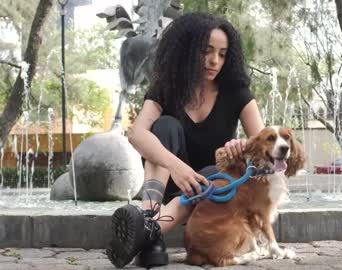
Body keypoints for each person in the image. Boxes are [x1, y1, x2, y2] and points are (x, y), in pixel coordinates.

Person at [106, 12, 264, 268]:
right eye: (207, 51)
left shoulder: (236, 91)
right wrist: (176, 166)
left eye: (222, 54)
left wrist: (244, 147)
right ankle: (150, 219)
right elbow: (137, 133)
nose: (214, 61)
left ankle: (149, 235)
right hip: (166, 184)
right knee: (164, 127)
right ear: (190, 50)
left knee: (213, 178)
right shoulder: (168, 86)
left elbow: (264, 149)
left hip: (212, 190)